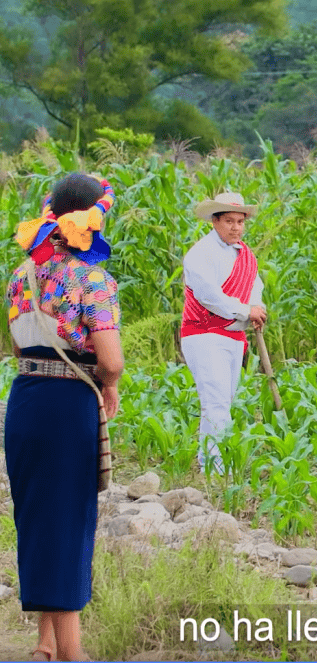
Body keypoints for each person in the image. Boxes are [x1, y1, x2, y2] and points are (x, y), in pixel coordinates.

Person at [5, 173, 124, 661]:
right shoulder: (93, 278)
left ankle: (44, 644)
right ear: (93, 215)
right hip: (69, 400)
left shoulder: (21, 273)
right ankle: (74, 654)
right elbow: (110, 358)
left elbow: (16, 344)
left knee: (37, 517)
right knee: (70, 518)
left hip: (26, 398)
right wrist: (110, 384)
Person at [180, 192, 266, 475]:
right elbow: (209, 297)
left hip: (233, 336)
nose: (236, 227)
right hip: (204, 334)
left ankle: (210, 461)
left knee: (222, 401)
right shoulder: (201, 253)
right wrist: (246, 311)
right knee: (215, 401)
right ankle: (216, 467)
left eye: (240, 221)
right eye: (229, 221)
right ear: (215, 221)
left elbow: (256, 286)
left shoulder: (245, 254)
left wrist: (257, 307)